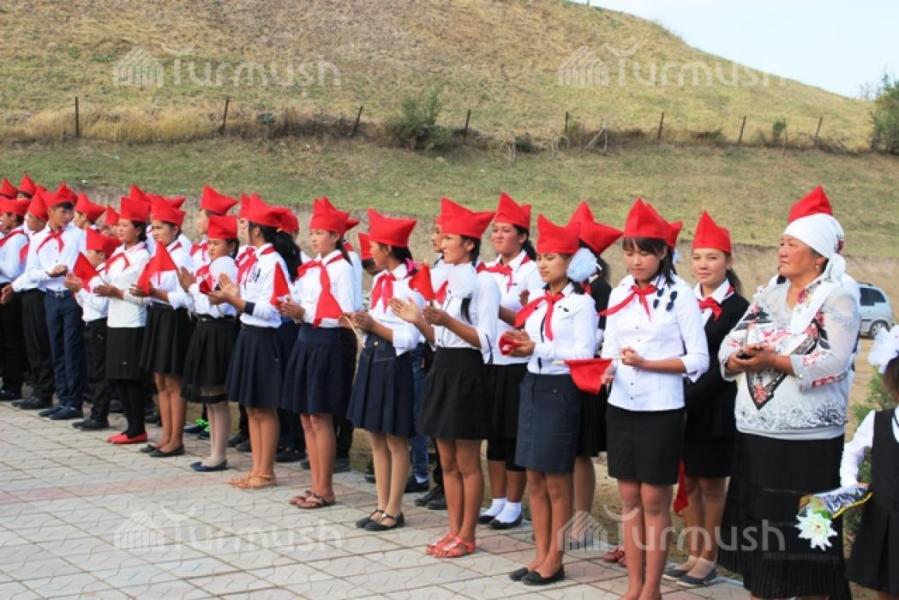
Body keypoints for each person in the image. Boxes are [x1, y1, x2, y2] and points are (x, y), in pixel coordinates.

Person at [718, 197, 859, 600]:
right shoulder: (769, 296)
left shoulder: (837, 297)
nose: (781, 250)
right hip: (757, 434)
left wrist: (773, 359)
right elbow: (731, 341)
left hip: (807, 443)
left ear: (818, 256)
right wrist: (738, 358)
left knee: (805, 538)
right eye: (781, 242)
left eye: (791, 244)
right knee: (762, 534)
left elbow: (834, 361)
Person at [600, 198, 709, 600]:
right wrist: (606, 369)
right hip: (621, 407)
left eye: (644, 252)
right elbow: (609, 349)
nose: (635, 261)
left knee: (653, 499)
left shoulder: (681, 295)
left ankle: (652, 588)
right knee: (628, 498)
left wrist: (649, 364)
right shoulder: (619, 292)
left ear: (663, 252)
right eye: (629, 252)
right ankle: (633, 585)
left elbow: (699, 359)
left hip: (661, 409)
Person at [394, 197, 499, 558]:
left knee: (467, 461)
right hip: (443, 367)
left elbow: (485, 340)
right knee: (447, 461)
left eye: (450, 237)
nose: (442, 243)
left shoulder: (485, 283)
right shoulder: (448, 281)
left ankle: (468, 535)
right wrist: (418, 320)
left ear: (469, 244)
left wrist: (447, 321)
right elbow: (439, 339)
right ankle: (453, 529)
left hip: (468, 372)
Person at [503, 215, 598, 585]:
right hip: (532, 384)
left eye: (552, 257)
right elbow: (532, 344)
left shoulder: (581, 304)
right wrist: (519, 347)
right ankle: (540, 553)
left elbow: (584, 353)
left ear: (570, 262)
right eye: (540, 257)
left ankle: (555, 559)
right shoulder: (539, 302)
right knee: (534, 477)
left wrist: (537, 347)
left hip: (560, 390)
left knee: (556, 479)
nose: (543, 264)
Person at [663, 212, 749, 587]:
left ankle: (709, 558)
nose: (703, 265)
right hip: (679, 403)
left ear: (728, 261)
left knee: (712, 485)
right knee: (689, 482)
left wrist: (688, 396)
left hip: (714, 407)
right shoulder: (681, 299)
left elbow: (726, 364)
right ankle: (693, 553)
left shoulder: (739, 309)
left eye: (712, 257)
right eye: (697, 257)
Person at [211, 199, 300, 490]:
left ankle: (266, 471)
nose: (240, 229)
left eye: (244, 224)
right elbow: (250, 300)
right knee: (251, 406)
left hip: (264, 338)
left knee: (264, 407)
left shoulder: (273, 262)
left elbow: (272, 309)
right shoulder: (256, 260)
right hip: (249, 334)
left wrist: (234, 300)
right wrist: (233, 293)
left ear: (257, 229)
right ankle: (256, 468)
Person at [280, 198, 358, 509]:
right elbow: (303, 300)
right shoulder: (312, 268)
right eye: (311, 233)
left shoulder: (342, 269)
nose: (313, 238)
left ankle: (325, 489)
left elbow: (346, 315)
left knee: (320, 415)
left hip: (328, 342)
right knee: (306, 416)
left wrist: (307, 314)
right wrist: (291, 308)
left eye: (320, 233)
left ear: (336, 236)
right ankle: (315, 483)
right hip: (306, 339)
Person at [347, 209, 423, 531]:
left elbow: (411, 337)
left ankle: (394, 508)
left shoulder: (411, 285)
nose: (370, 252)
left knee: (395, 437)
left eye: (375, 247)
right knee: (375, 434)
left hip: (394, 363)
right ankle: (380, 504)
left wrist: (374, 325)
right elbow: (376, 324)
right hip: (373, 358)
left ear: (389, 249)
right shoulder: (380, 280)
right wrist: (362, 324)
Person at [479, 192, 542, 530]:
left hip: (516, 362)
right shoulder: (486, 269)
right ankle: (498, 499)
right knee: (493, 434)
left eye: (506, 230)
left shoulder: (532, 271)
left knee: (513, 434)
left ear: (522, 236)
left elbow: (530, 319)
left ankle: (515, 505)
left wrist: (494, 308)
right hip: (489, 359)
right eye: (495, 230)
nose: (499, 235)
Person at [567, 202, 621, 526]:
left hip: (587, 379)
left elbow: (601, 337)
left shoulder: (602, 290)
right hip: (560, 376)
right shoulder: (565, 288)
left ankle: (581, 519)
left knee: (579, 453)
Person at [179, 215, 241, 472]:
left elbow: (217, 305)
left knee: (216, 396)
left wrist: (193, 288)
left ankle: (219, 453)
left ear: (231, 245)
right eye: (210, 242)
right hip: (206, 327)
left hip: (218, 329)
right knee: (209, 396)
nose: (211, 247)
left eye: (217, 243)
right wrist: (194, 290)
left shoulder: (225, 265)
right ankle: (215, 451)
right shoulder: (212, 264)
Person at [841, 325, 899, 600]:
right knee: (884, 586)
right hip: (884, 518)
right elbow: (851, 453)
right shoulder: (877, 422)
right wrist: (851, 484)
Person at [134, 198, 194, 457]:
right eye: (153, 227)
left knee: (172, 381)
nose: (154, 233)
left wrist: (156, 293)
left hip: (173, 318)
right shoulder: (157, 253)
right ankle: (166, 434)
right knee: (159, 380)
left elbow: (188, 296)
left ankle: (176, 439)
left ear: (175, 229)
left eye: (159, 228)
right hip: (157, 315)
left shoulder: (181, 256)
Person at [21, 184, 88, 420]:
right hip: (50, 296)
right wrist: (49, 272)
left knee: (71, 348)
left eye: (70, 212)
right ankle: (63, 397)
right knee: (55, 348)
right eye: (63, 211)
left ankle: (74, 401)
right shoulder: (38, 238)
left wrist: (72, 274)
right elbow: (31, 272)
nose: (68, 217)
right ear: (50, 211)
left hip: (70, 297)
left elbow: (86, 264)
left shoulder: (77, 235)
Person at [92, 196, 152, 444]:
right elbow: (105, 279)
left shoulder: (142, 257)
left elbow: (145, 297)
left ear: (138, 230)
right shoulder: (118, 253)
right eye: (118, 224)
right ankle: (130, 427)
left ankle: (138, 428)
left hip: (132, 322)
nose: (119, 229)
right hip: (114, 320)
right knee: (118, 376)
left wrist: (117, 292)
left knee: (131, 377)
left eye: (125, 225)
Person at [65, 228, 121, 430]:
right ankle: (95, 413)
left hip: (99, 326)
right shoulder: (94, 275)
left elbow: (101, 306)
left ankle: (99, 415)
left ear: (102, 255)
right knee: (93, 371)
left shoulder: (104, 276)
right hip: (89, 323)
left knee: (100, 373)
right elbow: (85, 304)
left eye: (90, 251)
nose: (86, 255)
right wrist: (77, 290)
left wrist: (81, 290)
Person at [7, 191, 56, 410]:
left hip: (38, 293)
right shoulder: (36, 238)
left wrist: (14, 285)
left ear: (42, 220)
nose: (27, 221)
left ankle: (43, 391)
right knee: (32, 345)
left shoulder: (42, 240)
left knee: (40, 344)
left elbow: (31, 272)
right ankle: (38, 389)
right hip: (26, 291)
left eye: (30, 217)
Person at [0, 196, 31, 403]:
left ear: (13, 217)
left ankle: (13, 385)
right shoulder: (7, 238)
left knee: (11, 340)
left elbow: (12, 270)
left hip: (9, 289)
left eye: (3, 215)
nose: (1, 219)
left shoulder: (17, 239)